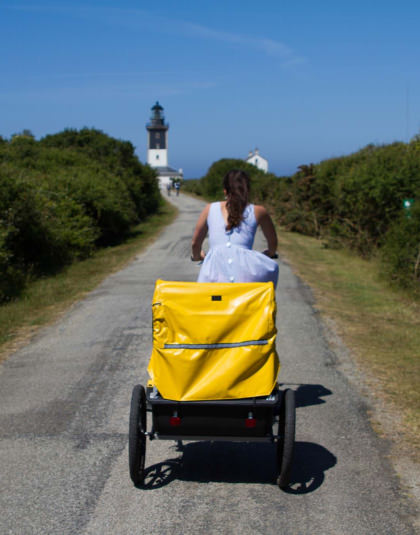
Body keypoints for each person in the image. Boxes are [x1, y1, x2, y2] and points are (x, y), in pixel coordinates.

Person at [191, 169, 279, 286]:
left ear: (225, 191)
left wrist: (197, 256)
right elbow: (273, 243)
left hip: (214, 275)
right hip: (245, 274)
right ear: (247, 190)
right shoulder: (258, 211)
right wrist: (269, 253)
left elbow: (195, 243)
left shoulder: (210, 208)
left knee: (209, 301)